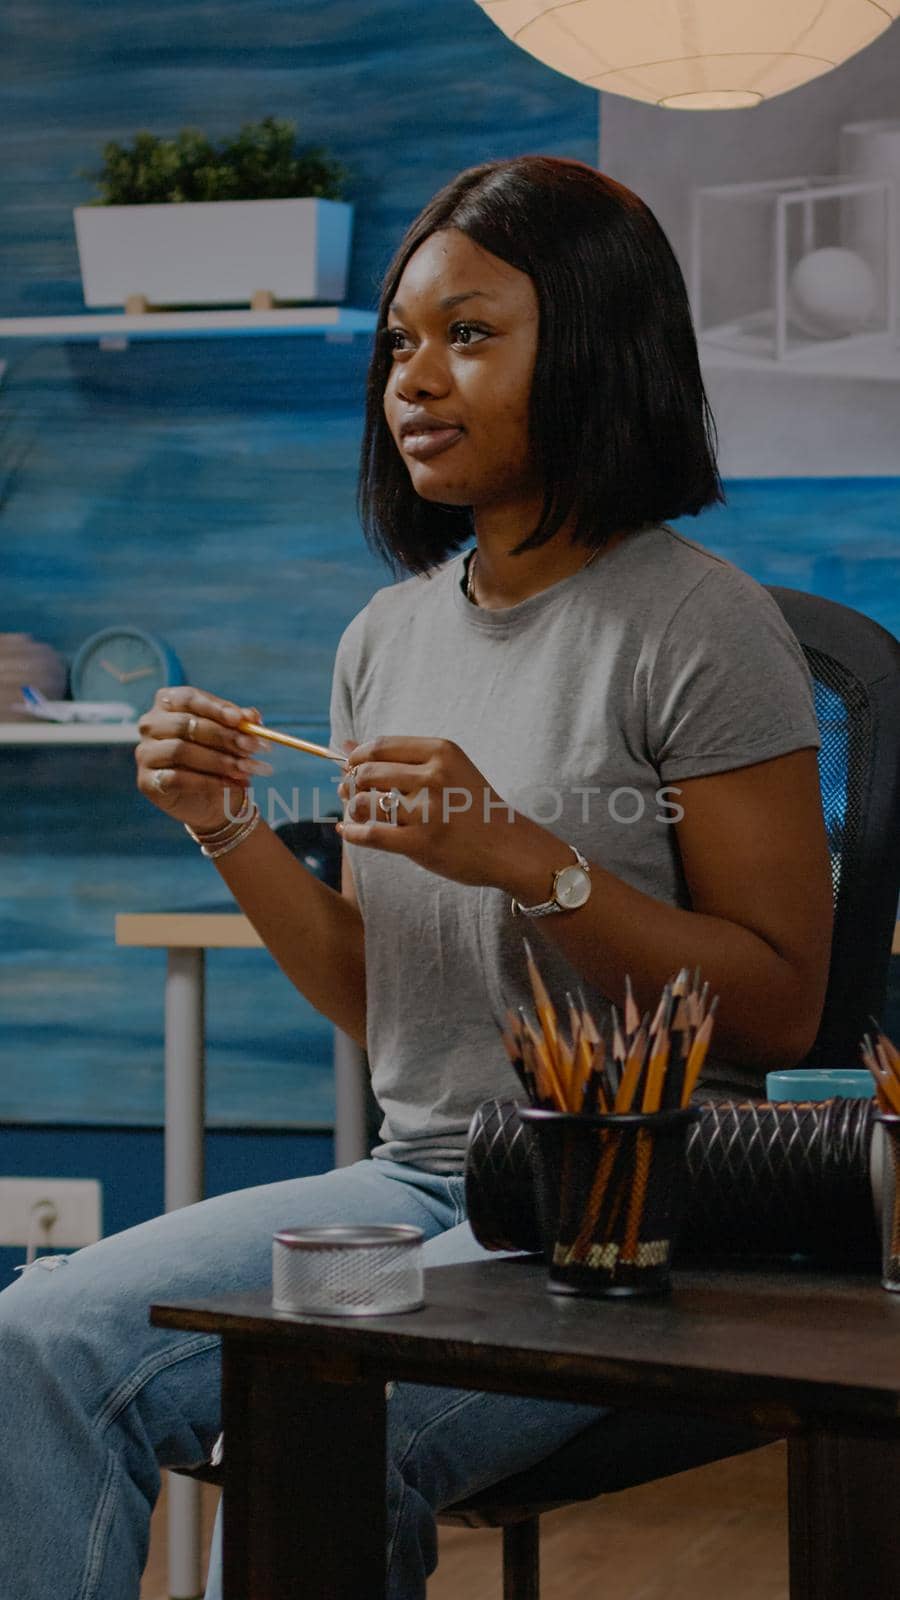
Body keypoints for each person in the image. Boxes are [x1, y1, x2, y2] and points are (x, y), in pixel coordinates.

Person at [0, 156, 832, 1600]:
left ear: (590, 344)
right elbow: (386, 1007)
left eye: (469, 334)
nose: (414, 379)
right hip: (417, 1182)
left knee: (322, 1417)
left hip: (632, 1207)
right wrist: (226, 824)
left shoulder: (705, 626)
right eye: (399, 342)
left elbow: (776, 1014)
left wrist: (527, 858)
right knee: (35, 1343)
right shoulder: (384, 636)